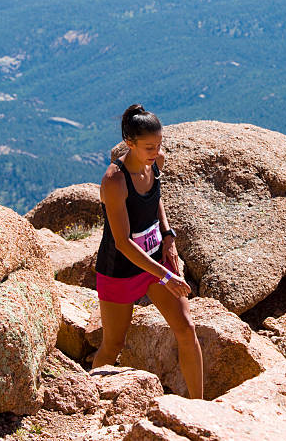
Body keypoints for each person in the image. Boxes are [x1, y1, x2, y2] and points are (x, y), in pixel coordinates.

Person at [92, 104, 203, 399]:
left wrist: (168, 235)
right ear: (130, 144)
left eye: (159, 144)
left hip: (155, 257)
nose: (156, 152)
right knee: (113, 344)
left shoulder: (155, 162)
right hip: (121, 269)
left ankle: (201, 408)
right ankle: (86, 397)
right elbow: (122, 242)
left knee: (187, 328)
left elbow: (156, 198)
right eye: (149, 147)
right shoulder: (114, 181)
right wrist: (166, 276)